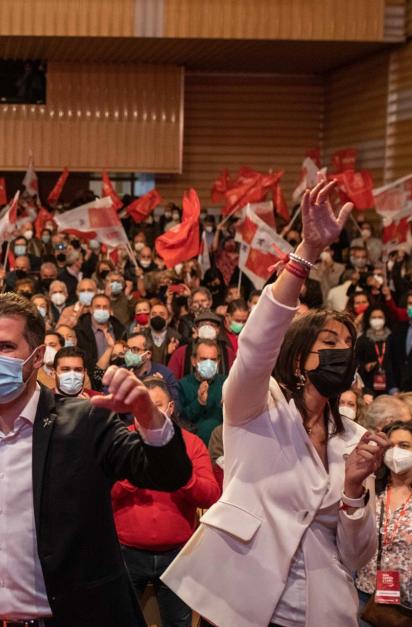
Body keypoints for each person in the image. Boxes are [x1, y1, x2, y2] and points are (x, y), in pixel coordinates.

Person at [162, 180, 389, 626]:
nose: (341, 352)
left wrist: (354, 491)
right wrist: (303, 256)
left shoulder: (356, 439)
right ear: (300, 357)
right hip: (241, 602)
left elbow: (357, 553)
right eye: (329, 342)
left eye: (348, 345)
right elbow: (256, 346)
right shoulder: (257, 407)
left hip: (321, 609)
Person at [0, 293, 192, 625]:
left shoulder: (84, 420)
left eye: (6, 347)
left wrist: (150, 419)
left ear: (38, 357)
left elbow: (167, 474)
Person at [112, 378, 221, 627]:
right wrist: (133, 476)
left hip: (178, 554)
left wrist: (182, 477)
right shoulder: (120, 441)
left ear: (170, 408)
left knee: (178, 623)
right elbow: (100, 494)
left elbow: (211, 495)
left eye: (156, 405)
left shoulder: (191, 444)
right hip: (127, 553)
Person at [355, 420, 412, 625]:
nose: (396, 452)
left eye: (404, 446)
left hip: (407, 605)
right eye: (391, 446)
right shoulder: (371, 488)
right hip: (365, 595)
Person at [176, 339, 227, 446]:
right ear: (194, 361)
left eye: (213, 360)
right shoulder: (182, 385)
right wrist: (199, 402)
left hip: (222, 444)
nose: (208, 363)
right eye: (204, 359)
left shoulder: (226, 383)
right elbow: (181, 420)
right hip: (193, 444)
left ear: (218, 362)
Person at [356, 305, 392, 397]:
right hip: (368, 386)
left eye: (380, 317)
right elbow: (356, 362)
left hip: (390, 385)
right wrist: (364, 367)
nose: (377, 320)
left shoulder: (392, 338)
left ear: (385, 318)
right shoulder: (362, 340)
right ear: (368, 319)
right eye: (374, 317)